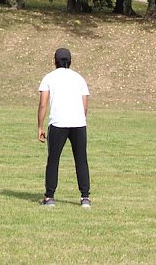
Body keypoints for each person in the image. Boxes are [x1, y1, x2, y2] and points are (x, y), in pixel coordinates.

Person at [37, 47, 91, 208]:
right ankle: (85, 197)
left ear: (54, 61)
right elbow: (85, 105)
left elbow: (42, 104)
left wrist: (40, 126)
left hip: (58, 123)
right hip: (79, 123)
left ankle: (49, 197)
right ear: (70, 61)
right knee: (81, 160)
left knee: (53, 160)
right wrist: (80, 119)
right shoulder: (79, 78)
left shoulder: (49, 78)